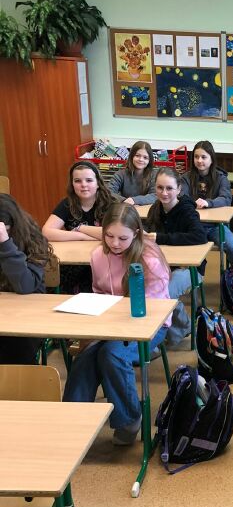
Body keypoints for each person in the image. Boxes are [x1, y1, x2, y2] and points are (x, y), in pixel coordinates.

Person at [62, 204, 172, 445]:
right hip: (109, 325)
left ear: (136, 234)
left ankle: (129, 420)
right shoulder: (98, 256)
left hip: (150, 326)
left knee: (112, 354)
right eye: (109, 236)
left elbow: (154, 311)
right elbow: (99, 292)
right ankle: (71, 421)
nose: (115, 243)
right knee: (86, 357)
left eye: (123, 238)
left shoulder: (149, 260)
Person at [145, 166, 208, 348]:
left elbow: (200, 236)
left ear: (179, 189)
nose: (164, 193)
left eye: (169, 188)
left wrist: (161, 238)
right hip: (162, 266)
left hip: (189, 268)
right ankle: (182, 325)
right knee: (146, 290)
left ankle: (168, 331)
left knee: (163, 292)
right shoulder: (155, 209)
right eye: (160, 188)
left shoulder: (186, 210)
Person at [42, 161, 115, 293]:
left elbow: (114, 233)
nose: (83, 185)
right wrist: (82, 236)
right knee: (56, 282)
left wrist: (81, 228)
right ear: (72, 184)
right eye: (77, 181)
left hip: (105, 259)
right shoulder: (67, 204)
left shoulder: (110, 204)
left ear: (98, 183)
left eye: (89, 180)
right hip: (74, 259)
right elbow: (46, 232)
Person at [0, 195, 52, 364]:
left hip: (28, 315)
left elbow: (25, 285)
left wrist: (5, 244)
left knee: (14, 348)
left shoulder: (32, 239)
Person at [180, 140, 233, 264]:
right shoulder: (186, 178)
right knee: (191, 254)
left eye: (203, 157)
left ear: (211, 159)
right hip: (192, 225)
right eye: (196, 157)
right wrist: (193, 203)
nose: (199, 160)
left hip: (215, 226)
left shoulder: (221, 178)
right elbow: (181, 197)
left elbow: (226, 198)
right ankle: (196, 273)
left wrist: (209, 203)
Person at [108, 140, 158, 205]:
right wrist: (125, 201)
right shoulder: (120, 174)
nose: (141, 159)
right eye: (137, 155)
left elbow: (155, 195)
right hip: (126, 208)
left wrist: (134, 200)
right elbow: (108, 192)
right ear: (131, 156)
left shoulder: (154, 175)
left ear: (149, 160)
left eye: (145, 157)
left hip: (146, 210)